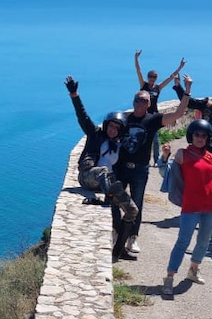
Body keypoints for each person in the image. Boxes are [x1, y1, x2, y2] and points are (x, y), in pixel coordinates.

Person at [78, 75, 192, 260]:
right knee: (114, 200)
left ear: (149, 103)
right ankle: (116, 232)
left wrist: (186, 90)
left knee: (137, 204)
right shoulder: (125, 118)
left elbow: (179, 113)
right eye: (137, 99)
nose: (140, 103)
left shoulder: (153, 120)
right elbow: (105, 133)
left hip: (140, 170)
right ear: (133, 101)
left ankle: (132, 238)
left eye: (144, 100)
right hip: (121, 168)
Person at [163, 119, 212, 298]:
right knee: (183, 241)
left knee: (204, 241)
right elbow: (168, 175)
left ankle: (194, 269)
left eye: (204, 135)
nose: (200, 138)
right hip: (191, 205)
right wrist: (165, 157)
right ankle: (169, 277)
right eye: (197, 134)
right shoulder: (182, 154)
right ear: (191, 135)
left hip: (211, 205)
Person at [65, 76, 140, 224]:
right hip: (88, 177)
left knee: (129, 205)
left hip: (106, 184)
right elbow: (83, 117)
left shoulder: (120, 146)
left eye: (117, 128)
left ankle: (128, 216)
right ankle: (110, 198)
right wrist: (75, 95)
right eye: (111, 126)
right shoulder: (95, 135)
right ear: (106, 125)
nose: (113, 130)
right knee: (103, 171)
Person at [135, 51, 185, 165]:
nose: (152, 78)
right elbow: (139, 71)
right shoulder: (144, 85)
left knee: (155, 139)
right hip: (143, 115)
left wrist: (180, 67)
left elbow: (171, 77)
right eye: (151, 76)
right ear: (148, 77)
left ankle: (156, 160)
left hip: (154, 115)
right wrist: (136, 58)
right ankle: (141, 159)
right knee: (142, 137)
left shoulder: (158, 87)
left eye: (154, 77)